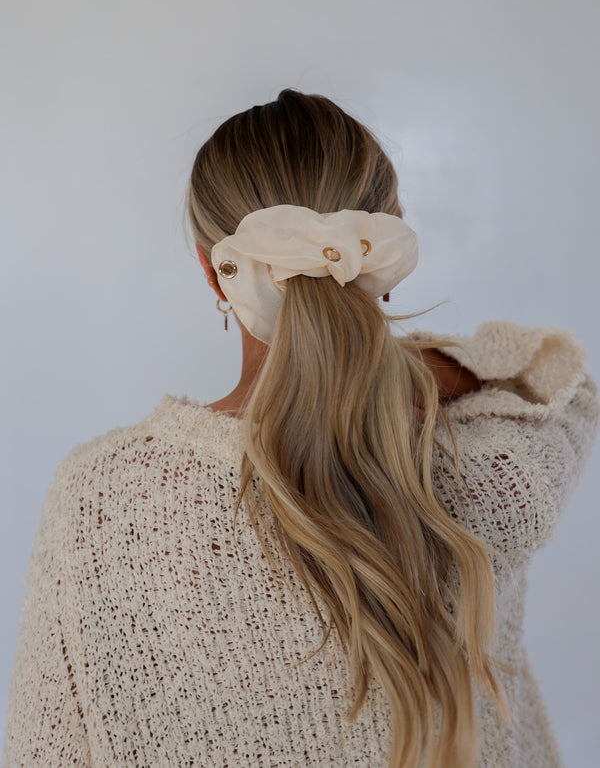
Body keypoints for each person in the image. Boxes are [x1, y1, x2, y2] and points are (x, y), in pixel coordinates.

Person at [3, 89, 599, 768]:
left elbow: (45, 751)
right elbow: (563, 381)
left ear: (213, 272)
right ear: (385, 250)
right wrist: (416, 367)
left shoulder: (98, 501)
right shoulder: (492, 464)